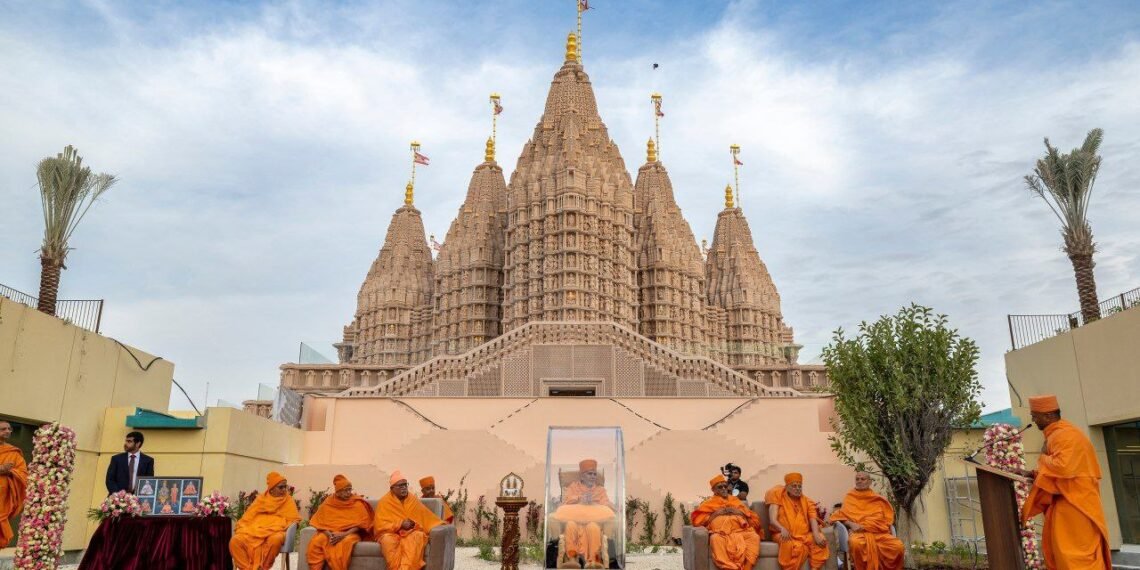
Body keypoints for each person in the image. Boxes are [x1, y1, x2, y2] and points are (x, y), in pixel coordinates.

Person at [1021, 394, 1112, 569]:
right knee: (1061, 552)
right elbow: (1058, 470)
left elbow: (1063, 468)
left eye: (1035, 416)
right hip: (1065, 502)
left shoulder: (1066, 435)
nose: (1033, 420)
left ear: (1048, 415)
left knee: (1075, 555)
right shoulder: (1057, 434)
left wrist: (1042, 458)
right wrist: (1032, 474)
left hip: (1077, 504)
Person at [830, 470, 903, 570]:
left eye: (862, 479)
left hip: (879, 533)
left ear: (869, 482)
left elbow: (885, 520)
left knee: (898, 546)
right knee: (856, 544)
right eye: (857, 479)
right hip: (859, 534)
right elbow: (840, 515)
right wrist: (851, 524)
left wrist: (867, 525)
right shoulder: (850, 497)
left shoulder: (877, 499)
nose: (859, 481)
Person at [229, 472, 301, 570]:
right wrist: (245, 526)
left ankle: (263, 568)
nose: (284, 489)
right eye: (281, 487)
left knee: (275, 539)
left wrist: (277, 524)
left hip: (276, 531)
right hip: (254, 530)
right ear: (272, 488)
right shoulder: (261, 499)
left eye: (285, 487)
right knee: (235, 541)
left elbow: (294, 519)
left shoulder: (288, 500)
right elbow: (248, 517)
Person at [552, 459, 615, 569]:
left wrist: (594, 503)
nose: (593, 477)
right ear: (582, 476)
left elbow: (606, 504)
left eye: (594, 474)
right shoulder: (573, 487)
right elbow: (566, 502)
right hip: (575, 520)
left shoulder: (600, 490)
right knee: (570, 525)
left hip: (593, 520)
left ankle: (594, 560)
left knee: (593, 527)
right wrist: (579, 499)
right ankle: (572, 559)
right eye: (589, 474)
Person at [375, 470, 443, 570]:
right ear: (392, 488)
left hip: (411, 533)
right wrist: (400, 524)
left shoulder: (412, 499)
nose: (404, 487)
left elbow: (424, 518)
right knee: (387, 540)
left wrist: (413, 524)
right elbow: (380, 526)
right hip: (391, 533)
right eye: (400, 485)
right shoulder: (384, 502)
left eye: (405, 485)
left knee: (418, 536)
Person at [691, 474, 761, 570]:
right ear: (713, 490)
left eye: (725, 486)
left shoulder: (735, 500)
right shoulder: (709, 503)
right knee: (715, 539)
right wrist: (715, 514)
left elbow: (750, 516)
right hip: (720, 534)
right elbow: (698, 521)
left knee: (754, 537)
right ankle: (730, 568)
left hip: (740, 531)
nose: (724, 489)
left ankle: (747, 568)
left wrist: (738, 512)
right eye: (720, 487)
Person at [307, 474, 374, 570]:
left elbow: (362, 524)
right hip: (330, 533)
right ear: (338, 492)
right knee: (316, 541)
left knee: (344, 544)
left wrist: (343, 534)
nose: (349, 492)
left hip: (350, 533)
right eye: (346, 490)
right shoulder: (329, 502)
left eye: (350, 489)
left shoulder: (356, 503)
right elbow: (320, 522)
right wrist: (330, 535)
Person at [766, 472, 829, 570]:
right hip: (783, 533)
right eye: (794, 486)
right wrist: (782, 528)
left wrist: (816, 534)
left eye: (800, 486)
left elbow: (813, 518)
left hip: (803, 535)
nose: (797, 488)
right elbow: (772, 520)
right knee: (788, 543)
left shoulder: (807, 501)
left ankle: (815, 568)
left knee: (821, 540)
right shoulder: (778, 497)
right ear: (787, 487)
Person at [0, 421, 28, 547]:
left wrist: (11, 471)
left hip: (3, 497)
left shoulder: (14, 452)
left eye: (9, 429)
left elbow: (24, 474)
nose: (8, 431)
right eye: (3, 429)